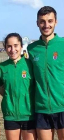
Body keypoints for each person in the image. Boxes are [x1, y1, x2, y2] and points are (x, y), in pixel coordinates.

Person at [27, 6, 64, 140]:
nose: (46, 25)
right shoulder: (32, 49)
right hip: (41, 108)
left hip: (62, 107)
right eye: (42, 21)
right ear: (37, 23)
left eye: (50, 21)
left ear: (56, 22)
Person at [0, 33, 37, 140]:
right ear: (5, 48)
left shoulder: (30, 64)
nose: (12, 49)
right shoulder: (1, 67)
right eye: (9, 46)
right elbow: (0, 87)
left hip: (29, 115)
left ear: (21, 46)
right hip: (10, 116)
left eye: (15, 45)